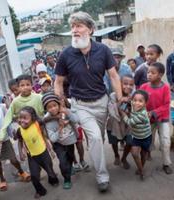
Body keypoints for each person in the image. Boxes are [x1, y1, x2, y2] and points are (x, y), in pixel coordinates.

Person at [54, 11, 122, 192]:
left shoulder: (103, 50)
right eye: (72, 27)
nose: (74, 30)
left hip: (101, 103)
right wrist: (61, 105)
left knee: (98, 138)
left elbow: (114, 76)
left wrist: (120, 98)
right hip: (80, 105)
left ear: (90, 29)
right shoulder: (66, 54)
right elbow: (58, 82)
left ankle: (95, 155)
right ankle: (102, 176)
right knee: (95, 138)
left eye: (79, 26)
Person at [17, 106, 59, 198]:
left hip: (44, 153)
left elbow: (44, 136)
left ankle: (53, 180)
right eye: (20, 118)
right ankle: (40, 191)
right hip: (32, 156)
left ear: (32, 118)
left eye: (25, 118)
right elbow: (20, 141)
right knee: (34, 176)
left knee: (50, 171)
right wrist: (21, 152)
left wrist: (50, 150)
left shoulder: (37, 124)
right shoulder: (19, 130)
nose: (22, 120)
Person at [140, 62, 173, 174]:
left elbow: (166, 105)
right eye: (148, 72)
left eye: (152, 73)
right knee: (148, 140)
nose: (149, 74)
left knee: (165, 141)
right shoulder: (144, 87)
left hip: (162, 118)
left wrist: (154, 112)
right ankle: (145, 158)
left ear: (160, 75)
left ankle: (166, 163)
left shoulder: (165, 88)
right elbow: (139, 101)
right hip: (148, 119)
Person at [42, 92, 78, 189]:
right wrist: (60, 127)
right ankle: (67, 179)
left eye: (55, 105)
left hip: (70, 141)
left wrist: (68, 113)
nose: (53, 108)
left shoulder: (66, 111)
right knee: (62, 162)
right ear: (46, 109)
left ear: (58, 104)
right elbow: (53, 139)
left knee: (70, 158)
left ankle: (70, 169)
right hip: (58, 144)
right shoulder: (47, 120)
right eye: (49, 107)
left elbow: (76, 120)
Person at [0, 74, 44, 141]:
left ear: (32, 85)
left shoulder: (39, 97)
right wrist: (1, 134)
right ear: (18, 87)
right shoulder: (16, 102)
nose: (25, 87)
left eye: (28, 84)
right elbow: (8, 117)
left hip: (41, 129)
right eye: (22, 85)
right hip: (26, 133)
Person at [119, 90, 152, 180]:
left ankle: (141, 168)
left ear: (145, 103)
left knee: (143, 154)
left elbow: (129, 122)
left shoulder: (142, 115)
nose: (137, 103)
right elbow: (131, 103)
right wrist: (127, 100)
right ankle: (141, 170)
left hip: (146, 137)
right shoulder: (134, 106)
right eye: (135, 100)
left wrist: (123, 114)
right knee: (134, 153)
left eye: (140, 101)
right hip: (136, 136)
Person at [107, 74, 134, 169]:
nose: (128, 86)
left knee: (130, 142)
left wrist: (131, 104)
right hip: (114, 124)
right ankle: (116, 155)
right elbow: (112, 111)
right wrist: (121, 101)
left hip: (127, 125)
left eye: (131, 85)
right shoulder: (113, 95)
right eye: (125, 83)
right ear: (119, 84)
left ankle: (124, 158)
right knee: (114, 142)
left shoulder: (133, 97)